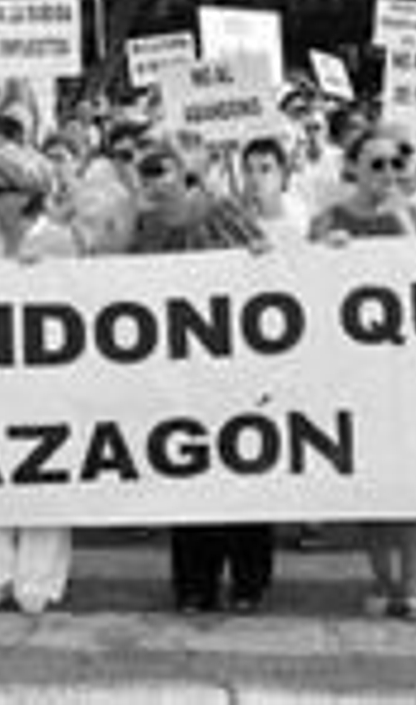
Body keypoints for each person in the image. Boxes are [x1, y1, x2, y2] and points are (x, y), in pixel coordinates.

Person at [129, 136, 272, 614]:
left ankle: (249, 580)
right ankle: (195, 583)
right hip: (176, 371)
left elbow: (266, 263)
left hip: (233, 367)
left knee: (243, 468)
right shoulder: (145, 226)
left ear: (184, 172)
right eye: (144, 171)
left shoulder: (224, 211)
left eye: (160, 168)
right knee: (187, 473)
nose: (151, 179)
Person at [310, 122, 416, 622]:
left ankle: (414, 582)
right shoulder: (327, 220)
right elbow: (305, 289)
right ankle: (381, 579)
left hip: (403, 367)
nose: (388, 172)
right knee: (368, 484)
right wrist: (326, 255)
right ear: (354, 169)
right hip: (350, 370)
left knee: (406, 485)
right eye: (377, 164)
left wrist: (407, 225)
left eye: (396, 164)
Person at [0, 144, 80, 614]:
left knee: (43, 470)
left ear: (24, 196)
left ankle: (38, 579)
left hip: (43, 382)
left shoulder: (61, 242)